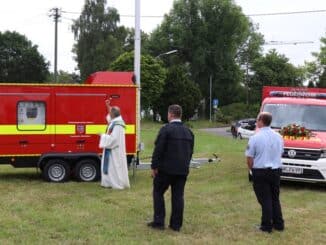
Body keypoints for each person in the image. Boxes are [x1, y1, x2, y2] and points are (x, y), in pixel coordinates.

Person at [147, 104, 194, 232]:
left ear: (171, 114)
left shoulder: (166, 129)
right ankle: (176, 225)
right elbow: (190, 152)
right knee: (178, 196)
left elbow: (159, 149)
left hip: (166, 170)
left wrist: (154, 166)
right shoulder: (189, 131)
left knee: (158, 192)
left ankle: (159, 221)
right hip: (182, 170)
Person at [245, 112, 284, 233]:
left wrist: (252, 169)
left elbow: (249, 157)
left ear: (261, 120)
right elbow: (280, 153)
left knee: (265, 199)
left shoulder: (255, 137)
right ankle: (278, 224)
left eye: (257, 119)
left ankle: (266, 225)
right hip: (276, 170)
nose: (256, 122)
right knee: (274, 198)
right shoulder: (279, 136)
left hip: (261, 171)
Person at [99, 100, 130, 189]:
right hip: (111, 149)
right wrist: (108, 106)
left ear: (113, 115)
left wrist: (103, 136)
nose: (109, 115)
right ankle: (108, 183)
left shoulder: (118, 125)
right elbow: (110, 117)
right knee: (110, 167)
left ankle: (116, 183)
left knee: (114, 167)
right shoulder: (115, 121)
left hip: (114, 150)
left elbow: (114, 139)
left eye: (111, 113)